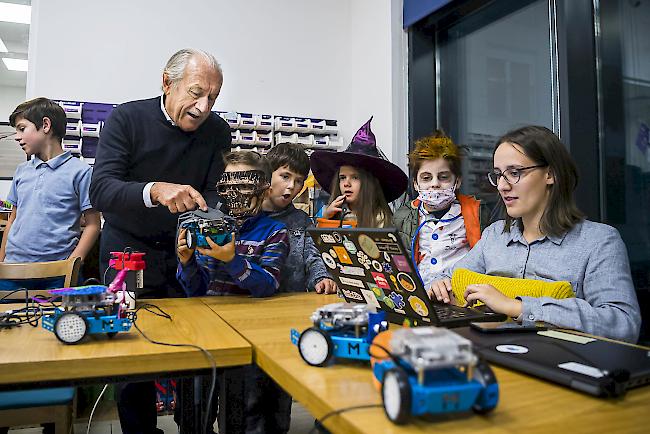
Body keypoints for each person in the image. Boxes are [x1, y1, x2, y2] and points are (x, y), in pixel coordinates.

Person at [89, 48, 231, 434]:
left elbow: (214, 192)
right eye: (196, 92)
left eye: (213, 98)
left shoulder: (217, 132)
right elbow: (101, 189)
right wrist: (154, 190)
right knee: (133, 356)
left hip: (185, 258)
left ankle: (194, 428)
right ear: (167, 83)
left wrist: (217, 215)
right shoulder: (127, 119)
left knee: (194, 351)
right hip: (127, 257)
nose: (204, 107)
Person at [430, 125, 641, 343]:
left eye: (514, 173)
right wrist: (439, 285)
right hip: (492, 353)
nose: (502, 186)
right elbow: (451, 277)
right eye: (498, 175)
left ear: (551, 174)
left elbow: (624, 324)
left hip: (559, 363)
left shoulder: (599, 241)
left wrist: (518, 306)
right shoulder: (494, 235)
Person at [176, 151, 289, 433]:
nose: (234, 193)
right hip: (208, 330)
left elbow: (267, 285)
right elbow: (196, 290)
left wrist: (233, 259)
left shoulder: (275, 232)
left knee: (244, 411)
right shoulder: (207, 226)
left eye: (243, 186)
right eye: (227, 186)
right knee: (194, 406)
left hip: (250, 336)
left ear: (262, 188)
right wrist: (187, 261)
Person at [0, 98, 100, 291]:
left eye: (22, 128)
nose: (16, 136)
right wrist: (2, 262)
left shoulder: (80, 172)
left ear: (45, 125)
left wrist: (72, 264)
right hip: (13, 271)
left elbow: (93, 224)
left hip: (58, 273)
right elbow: (12, 220)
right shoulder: (22, 171)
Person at [393, 131, 481, 293]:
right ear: (415, 184)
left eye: (443, 177)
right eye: (426, 178)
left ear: (458, 181)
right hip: (420, 296)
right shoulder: (403, 216)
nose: (435, 184)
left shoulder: (477, 214)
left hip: (459, 295)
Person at [263, 142, 337, 295]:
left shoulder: (301, 221)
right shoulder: (245, 217)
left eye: (298, 181)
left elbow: (313, 256)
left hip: (293, 304)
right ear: (266, 173)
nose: (291, 186)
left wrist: (321, 278)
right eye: (285, 176)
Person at [311, 117, 407, 228]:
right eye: (342, 177)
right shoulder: (331, 211)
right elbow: (318, 243)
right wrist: (326, 218)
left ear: (369, 183)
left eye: (355, 177)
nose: (346, 183)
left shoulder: (380, 218)